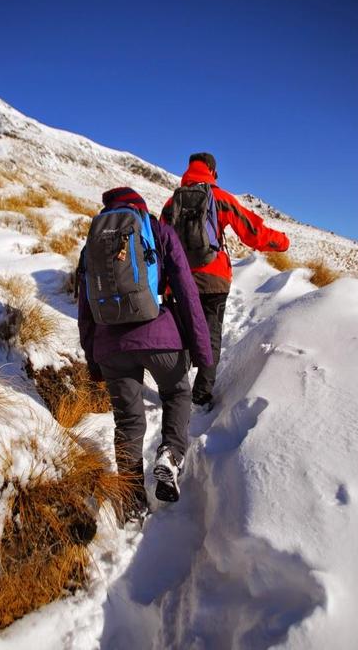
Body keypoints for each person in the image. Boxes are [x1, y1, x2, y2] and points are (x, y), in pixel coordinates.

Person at [77, 187, 212, 522]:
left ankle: (133, 502)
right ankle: (170, 454)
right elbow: (187, 292)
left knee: (128, 421)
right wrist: (201, 350)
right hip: (159, 334)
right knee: (177, 393)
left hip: (111, 345)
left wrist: (94, 359)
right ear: (139, 205)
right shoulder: (156, 230)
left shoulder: (92, 243)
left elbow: (85, 307)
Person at [162, 152, 290, 410]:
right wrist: (282, 242)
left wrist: (166, 284)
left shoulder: (171, 203)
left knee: (182, 335)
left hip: (181, 280)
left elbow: (163, 244)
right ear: (212, 171)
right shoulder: (219, 198)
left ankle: (176, 391)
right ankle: (201, 395)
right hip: (214, 279)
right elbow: (252, 232)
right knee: (210, 336)